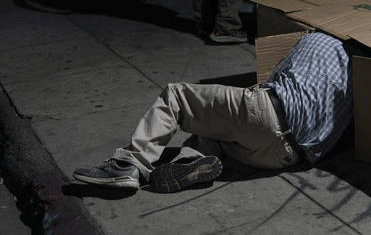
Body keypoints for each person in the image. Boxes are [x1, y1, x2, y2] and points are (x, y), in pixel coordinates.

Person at [73, 33, 353, 192]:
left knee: (176, 95)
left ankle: (128, 166)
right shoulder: (360, 79)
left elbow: (270, 82)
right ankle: (192, 161)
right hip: (285, 157)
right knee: (216, 131)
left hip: (269, 114)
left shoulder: (315, 38)